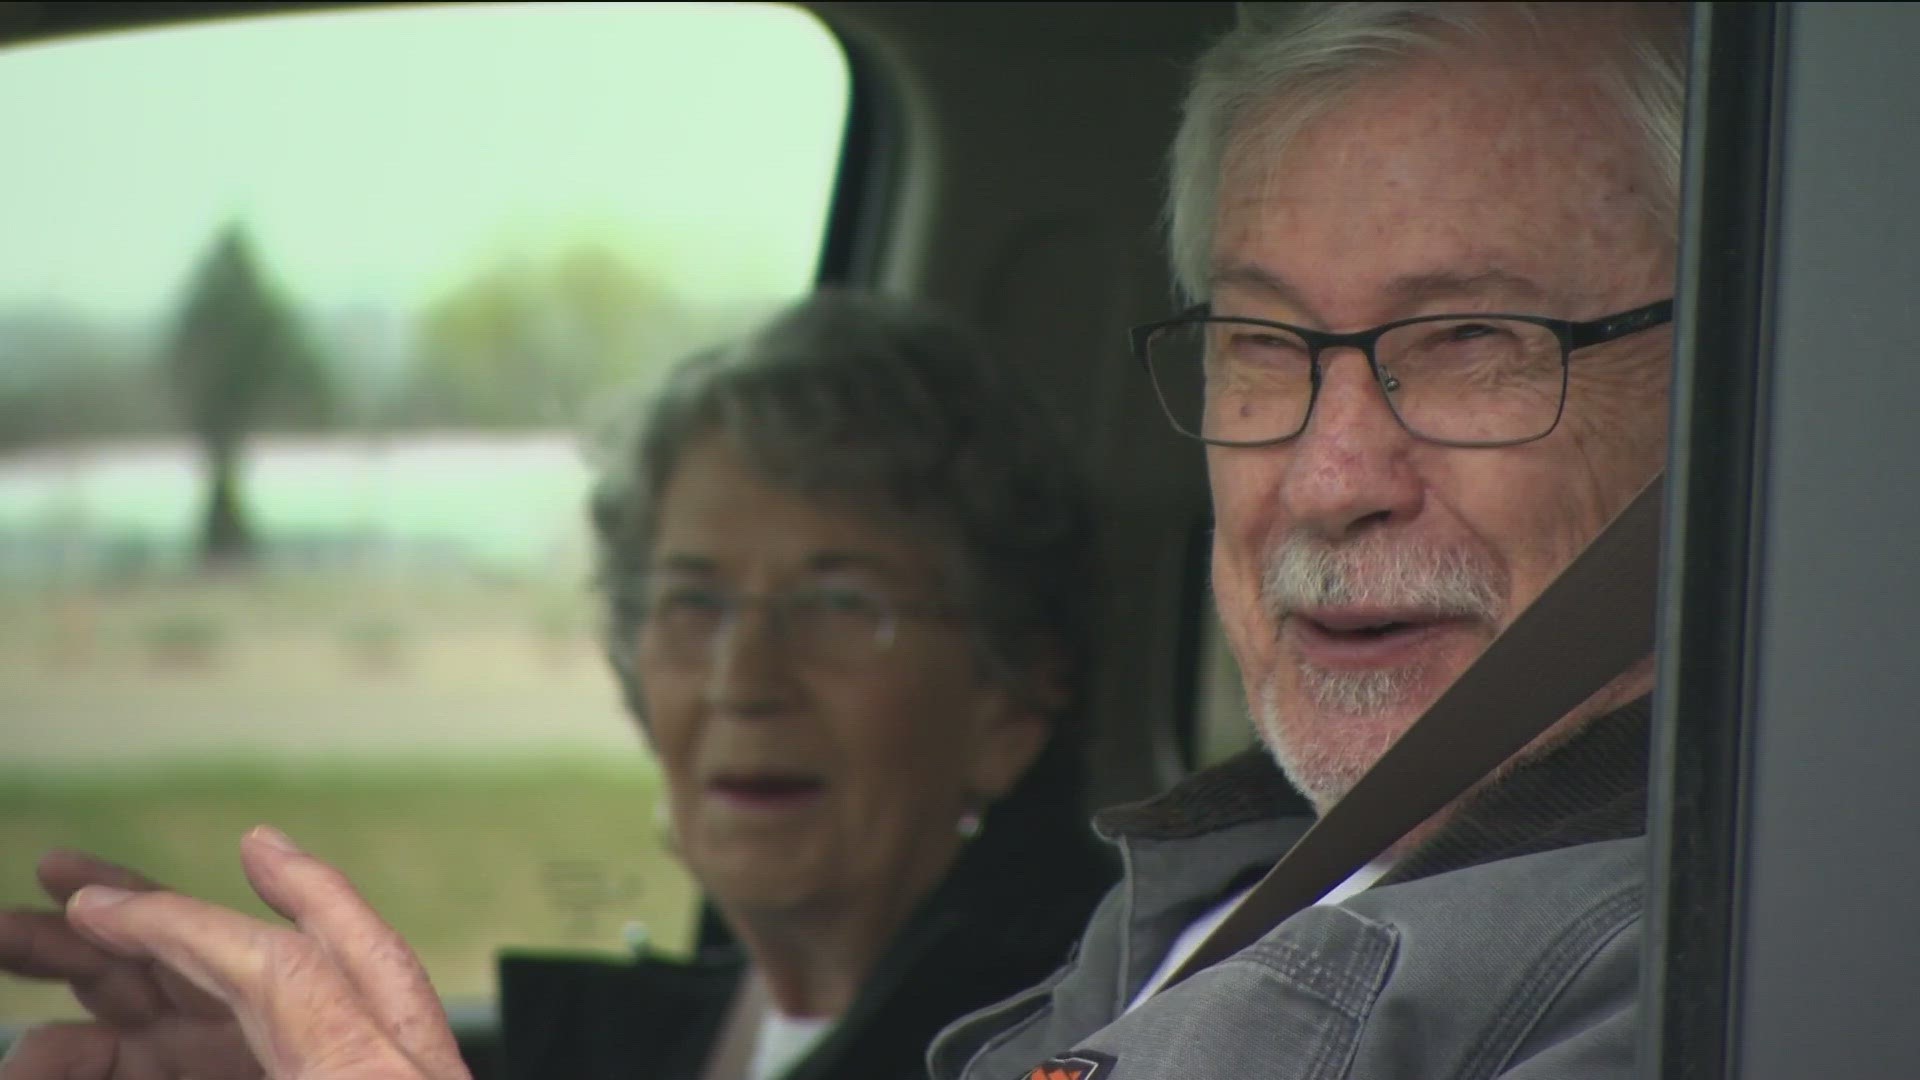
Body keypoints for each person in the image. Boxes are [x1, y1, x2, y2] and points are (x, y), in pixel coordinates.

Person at [0, 2, 1688, 1078]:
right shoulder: (1193, 901)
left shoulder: (1699, 961)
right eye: (1264, 344)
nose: (1328, 476)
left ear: (1733, 385)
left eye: (1469, 338)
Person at [0, 292, 1117, 1080]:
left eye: (839, 604)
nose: (743, 680)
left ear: (1008, 703)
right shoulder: (661, 1035)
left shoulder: (1101, 1040)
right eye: (692, 602)